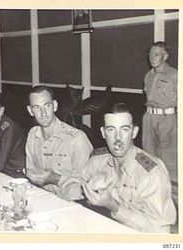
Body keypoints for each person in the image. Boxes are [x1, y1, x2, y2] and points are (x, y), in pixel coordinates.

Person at [81, 103, 176, 233]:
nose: (117, 138)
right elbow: (74, 190)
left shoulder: (151, 172)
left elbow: (159, 230)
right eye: (111, 129)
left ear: (134, 132)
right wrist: (87, 191)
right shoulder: (97, 161)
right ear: (103, 133)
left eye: (124, 129)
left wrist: (113, 206)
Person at [25, 85, 93, 200]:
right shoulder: (32, 135)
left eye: (47, 105)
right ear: (30, 111)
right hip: (43, 199)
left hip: (73, 204)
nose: (43, 113)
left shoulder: (77, 139)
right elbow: (31, 173)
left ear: (55, 106)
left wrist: (56, 178)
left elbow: (89, 184)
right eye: (37, 107)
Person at [142, 41, 178, 202]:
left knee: (169, 160)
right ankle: (153, 196)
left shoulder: (174, 75)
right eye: (150, 55)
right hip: (149, 118)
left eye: (156, 54)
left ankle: (174, 200)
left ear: (165, 56)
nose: (152, 58)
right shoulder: (148, 76)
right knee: (149, 157)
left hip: (167, 119)